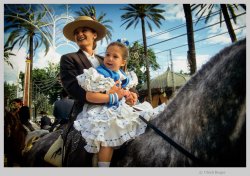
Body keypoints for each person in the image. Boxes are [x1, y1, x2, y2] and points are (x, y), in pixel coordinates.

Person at [60, 16, 139, 167]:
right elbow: (74, 89)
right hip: (87, 112)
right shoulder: (69, 58)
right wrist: (110, 95)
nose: (80, 34)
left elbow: (121, 78)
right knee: (80, 148)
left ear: (94, 34)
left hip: (117, 109)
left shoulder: (106, 57)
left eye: (84, 30)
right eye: (76, 32)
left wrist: (132, 94)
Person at [73, 41, 166, 167]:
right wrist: (115, 96)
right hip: (101, 110)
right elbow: (90, 96)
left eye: (115, 56)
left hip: (120, 109)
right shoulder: (97, 74)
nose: (110, 59)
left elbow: (123, 93)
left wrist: (129, 97)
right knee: (108, 135)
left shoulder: (124, 76)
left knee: (147, 119)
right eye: (107, 55)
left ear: (123, 62)